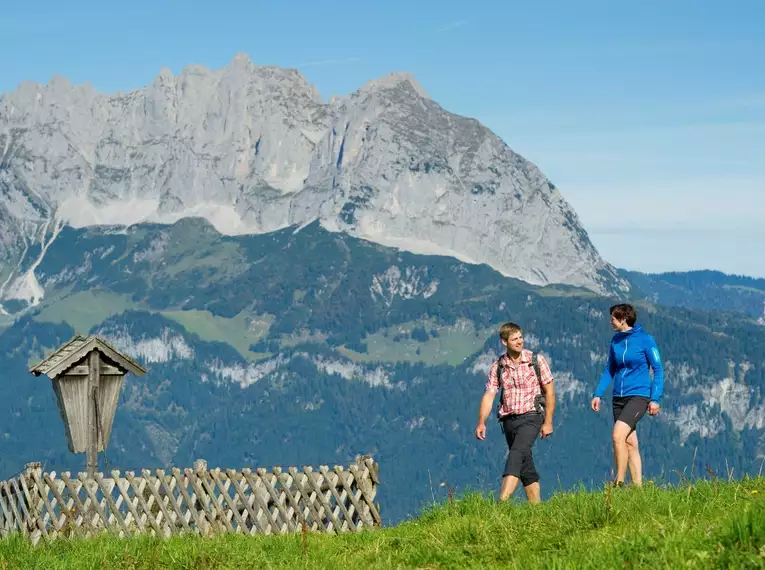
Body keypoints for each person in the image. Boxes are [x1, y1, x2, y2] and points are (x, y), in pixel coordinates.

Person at [475, 322, 556, 503]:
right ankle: (538, 510)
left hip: (532, 416)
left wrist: (548, 421)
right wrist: (481, 422)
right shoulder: (499, 366)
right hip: (509, 420)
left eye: (520, 337)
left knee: (516, 455)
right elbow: (489, 394)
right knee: (525, 464)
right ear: (504, 342)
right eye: (514, 339)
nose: (520, 341)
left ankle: (502, 503)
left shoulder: (536, 360)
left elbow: (550, 391)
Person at [591, 303, 664, 487]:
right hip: (618, 398)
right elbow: (610, 369)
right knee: (630, 442)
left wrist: (655, 398)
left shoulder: (646, 340)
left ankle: (619, 482)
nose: (610, 321)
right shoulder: (615, 341)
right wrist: (598, 394)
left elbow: (658, 369)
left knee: (617, 436)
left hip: (639, 396)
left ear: (623, 320)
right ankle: (638, 487)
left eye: (613, 318)